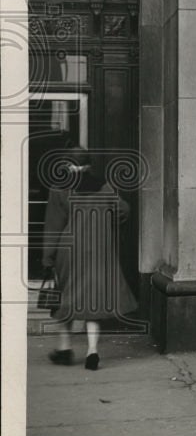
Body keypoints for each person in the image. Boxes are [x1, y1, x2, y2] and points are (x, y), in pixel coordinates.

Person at [41, 145, 137, 370]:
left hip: (69, 253)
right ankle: (92, 351)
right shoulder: (103, 186)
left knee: (66, 299)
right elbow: (124, 211)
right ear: (89, 164)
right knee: (93, 300)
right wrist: (109, 224)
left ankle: (65, 349)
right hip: (99, 251)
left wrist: (47, 259)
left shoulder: (59, 188)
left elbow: (53, 227)